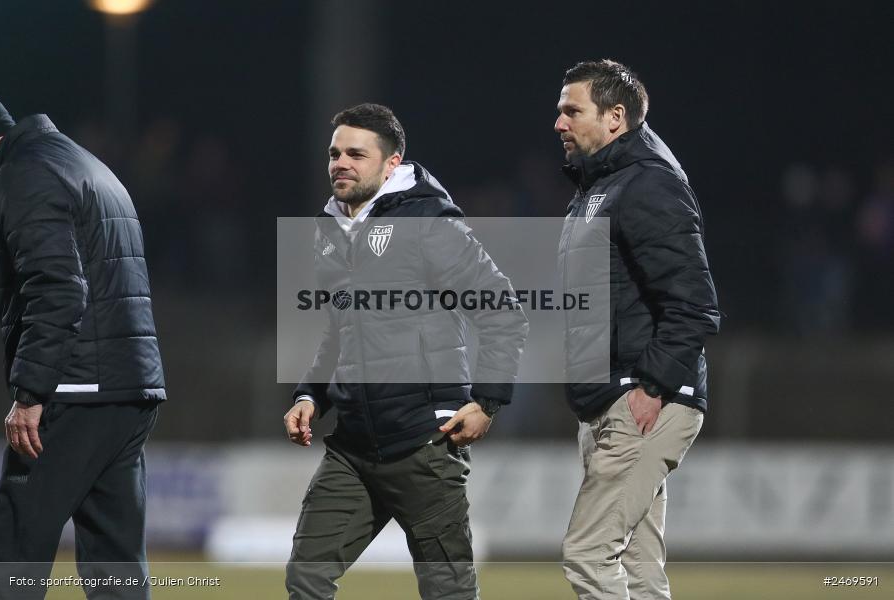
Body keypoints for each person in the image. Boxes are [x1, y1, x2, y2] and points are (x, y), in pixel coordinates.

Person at [283, 103, 528, 600]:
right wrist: (310, 395)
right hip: (352, 448)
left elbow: (503, 312)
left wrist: (487, 402)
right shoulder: (329, 227)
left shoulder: (428, 223)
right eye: (334, 153)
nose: (340, 163)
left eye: (356, 153)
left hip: (425, 443)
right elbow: (340, 329)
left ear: (391, 163)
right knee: (306, 579)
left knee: (448, 592)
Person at [554, 61, 720, 599]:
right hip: (611, 398)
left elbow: (694, 304)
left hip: (641, 399)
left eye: (571, 110)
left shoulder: (647, 183)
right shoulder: (603, 186)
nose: (559, 122)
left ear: (615, 118)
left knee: (588, 554)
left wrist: (650, 388)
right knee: (642, 569)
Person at [0, 97, 166, 600]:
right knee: (115, 565)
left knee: (13, 546)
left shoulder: (25, 174)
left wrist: (31, 392)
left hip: (76, 386)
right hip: (128, 385)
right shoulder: (79, 161)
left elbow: (59, 289)